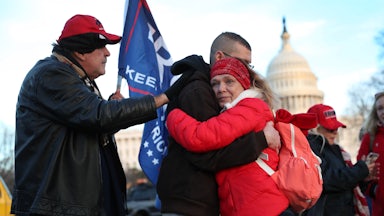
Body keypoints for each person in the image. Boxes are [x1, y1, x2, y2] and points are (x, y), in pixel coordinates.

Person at [11, 14, 187, 216]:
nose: (107, 53)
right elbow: (98, 115)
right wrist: (162, 98)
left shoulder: (77, 78)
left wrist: (113, 109)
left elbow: (95, 122)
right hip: (58, 209)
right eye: (101, 46)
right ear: (80, 50)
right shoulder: (51, 74)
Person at [157, 32, 281, 215]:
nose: (248, 69)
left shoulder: (233, 101)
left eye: (249, 64)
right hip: (191, 201)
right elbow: (208, 152)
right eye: (243, 62)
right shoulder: (199, 91)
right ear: (220, 57)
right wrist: (261, 139)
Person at [304, 104, 376, 216]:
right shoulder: (310, 148)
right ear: (315, 128)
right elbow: (325, 180)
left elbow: (344, 184)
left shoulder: (335, 149)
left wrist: (363, 179)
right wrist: (360, 170)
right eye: (330, 129)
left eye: (336, 128)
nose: (335, 133)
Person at [357, 92, 384, 216]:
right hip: (380, 205)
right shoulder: (370, 137)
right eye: (380, 108)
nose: (383, 111)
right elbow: (359, 169)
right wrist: (373, 190)